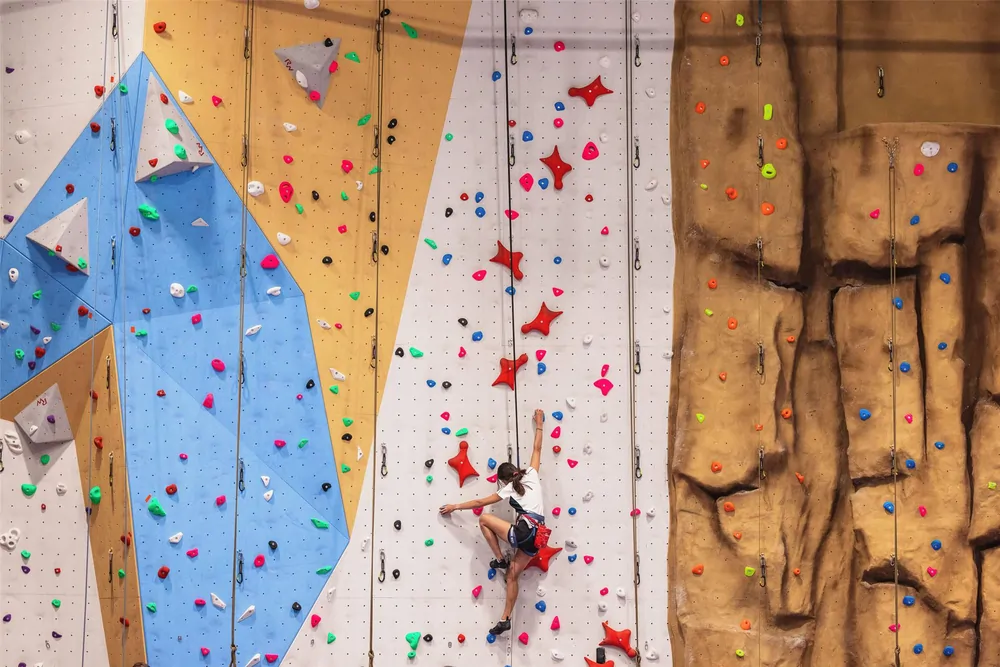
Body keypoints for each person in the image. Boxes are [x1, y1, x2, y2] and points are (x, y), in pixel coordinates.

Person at [439, 409, 546, 636]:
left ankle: (499, 559)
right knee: (512, 576)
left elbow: (480, 501)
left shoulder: (508, 488)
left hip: (525, 531)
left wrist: (455, 506)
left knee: (484, 519)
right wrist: (539, 424)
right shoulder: (532, 474)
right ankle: (505, 618)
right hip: (538, 537)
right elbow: (537, 448)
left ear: (504, 479)